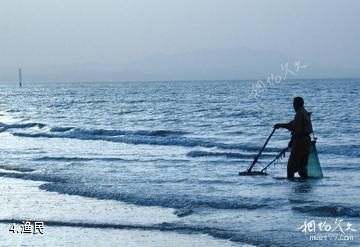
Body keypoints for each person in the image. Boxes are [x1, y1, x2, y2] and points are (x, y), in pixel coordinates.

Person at [274, 97, 313, 179]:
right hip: (307, 142)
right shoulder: (305, 113)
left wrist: (292, 141)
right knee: (303, 167)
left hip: (300, 142)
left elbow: (297, 129)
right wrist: (281, 125)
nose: (293, 106)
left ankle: (292, 184)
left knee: (291, 168)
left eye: (294, 104)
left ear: (296, 104)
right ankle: (304, 186)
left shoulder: (299, 114)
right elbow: (294, 125)